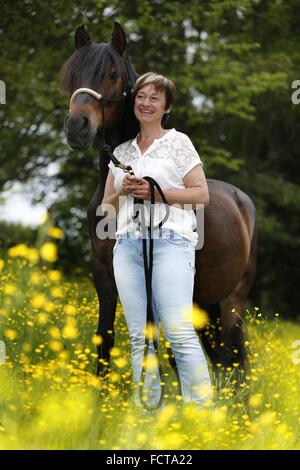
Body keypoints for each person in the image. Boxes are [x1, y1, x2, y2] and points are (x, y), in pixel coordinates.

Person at [102, 72, 212, 409]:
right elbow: (107, 209)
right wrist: (123, 189)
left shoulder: (179, 143)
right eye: (141, 96)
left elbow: (201, 195)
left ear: (166, 108)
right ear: (133, 102)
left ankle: (202, 417)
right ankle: (147, 417)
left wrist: (156, 192)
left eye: (154, 98)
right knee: (140, 338)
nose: (145, 103)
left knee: (179, 332)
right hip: (128, 246)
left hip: (171, 243)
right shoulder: (122, 151)